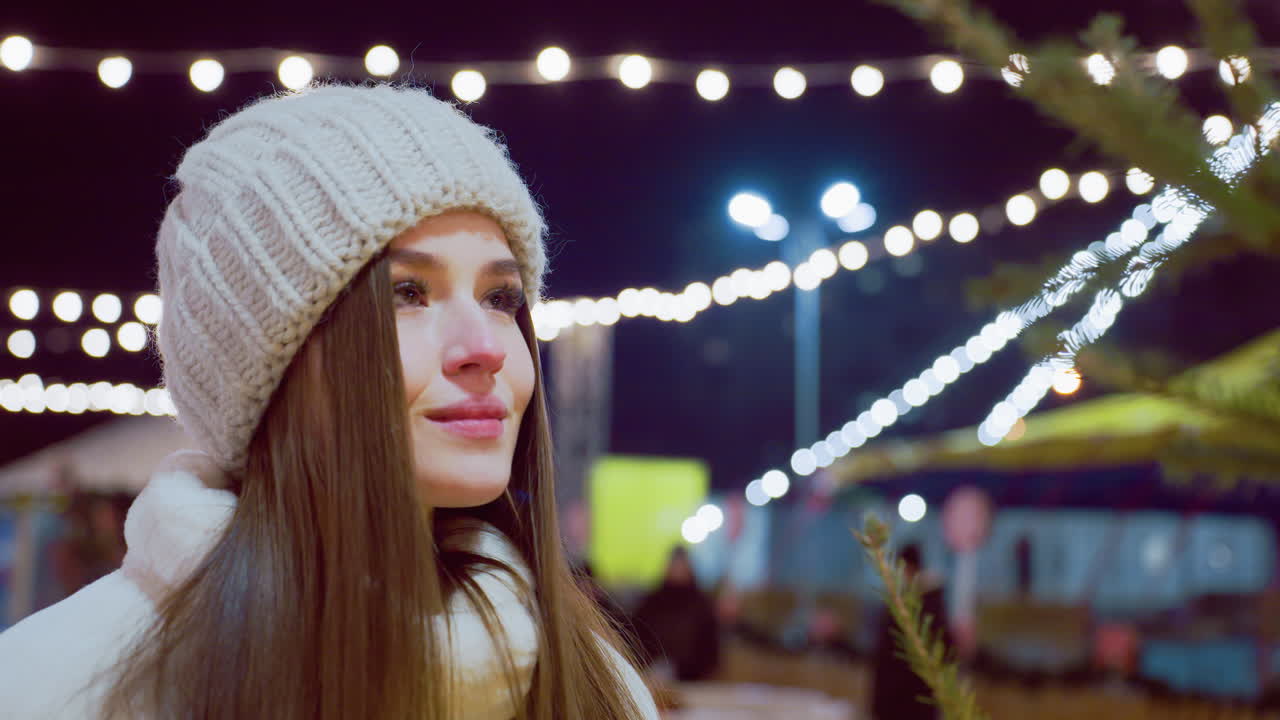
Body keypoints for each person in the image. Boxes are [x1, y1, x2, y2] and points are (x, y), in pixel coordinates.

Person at [0, 83, 659, 720]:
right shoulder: (53, 689)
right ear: (265, 362)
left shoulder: (597, 688)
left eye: (501, 297)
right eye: (407, 293)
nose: (484, 345)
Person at [870, 543, 948, 720]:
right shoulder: (899, 598)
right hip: (898, 697)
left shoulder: (925, 603)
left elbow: (940, 646)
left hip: (911, 697)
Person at [632, 546, 721, 683]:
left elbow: (709, 652)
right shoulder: (652, 602)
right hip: (653, 678)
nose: (678, 571)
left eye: (682, 566)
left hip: (694, 683)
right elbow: (637, 636)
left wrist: (680, 670)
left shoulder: (701, 605)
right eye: (675, 566)